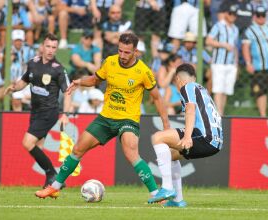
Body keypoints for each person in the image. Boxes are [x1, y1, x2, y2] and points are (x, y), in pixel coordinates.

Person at [35, 32, 170, 199]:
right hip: (106, 117)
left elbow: (157, 98)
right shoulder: (110, 62)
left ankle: (157, 195)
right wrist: (79, 81)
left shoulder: (143, 71)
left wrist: (166, 124)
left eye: (127, 52)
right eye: (120, 50)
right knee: (78, 148)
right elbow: (95, 80)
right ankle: (54, 187)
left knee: (131, 152)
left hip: (128, 120)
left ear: (135, 51)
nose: (122, 55)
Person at [148, 63, 223, 207]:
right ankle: (177, 200)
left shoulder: (187, 86)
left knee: (158, 137)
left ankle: (167, 188)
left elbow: (190, 110)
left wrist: (187, 136)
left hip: (205, 136)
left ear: (178, 79)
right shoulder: (202, 90)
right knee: (171, 154)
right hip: (215, 141)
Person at [4, 33, 71, 188]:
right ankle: (53, 182)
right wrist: (14, 87)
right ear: (42, 46)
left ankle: (52, 175)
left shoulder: (59, 69)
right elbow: (25, 80)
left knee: (27, 143)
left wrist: (65, 115)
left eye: (54, 47)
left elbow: (68, 92)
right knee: (38, 149)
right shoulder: (33, 63)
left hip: (49, 112)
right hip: (35, 112)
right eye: (48, 46)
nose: (50, 50)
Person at [206, 4, 239, 116]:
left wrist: (236, 63)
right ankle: (218, 113)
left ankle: (222, 112)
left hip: (230, 64)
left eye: (234, 14)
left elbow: (235, 47)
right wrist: (222, 45)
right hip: (219, 63)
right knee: (218, 89)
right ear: (226, 14)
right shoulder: (218, 26)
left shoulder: (235, 29)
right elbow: (208, 40)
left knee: (226, 90)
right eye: (230, 14)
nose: (232, 16)